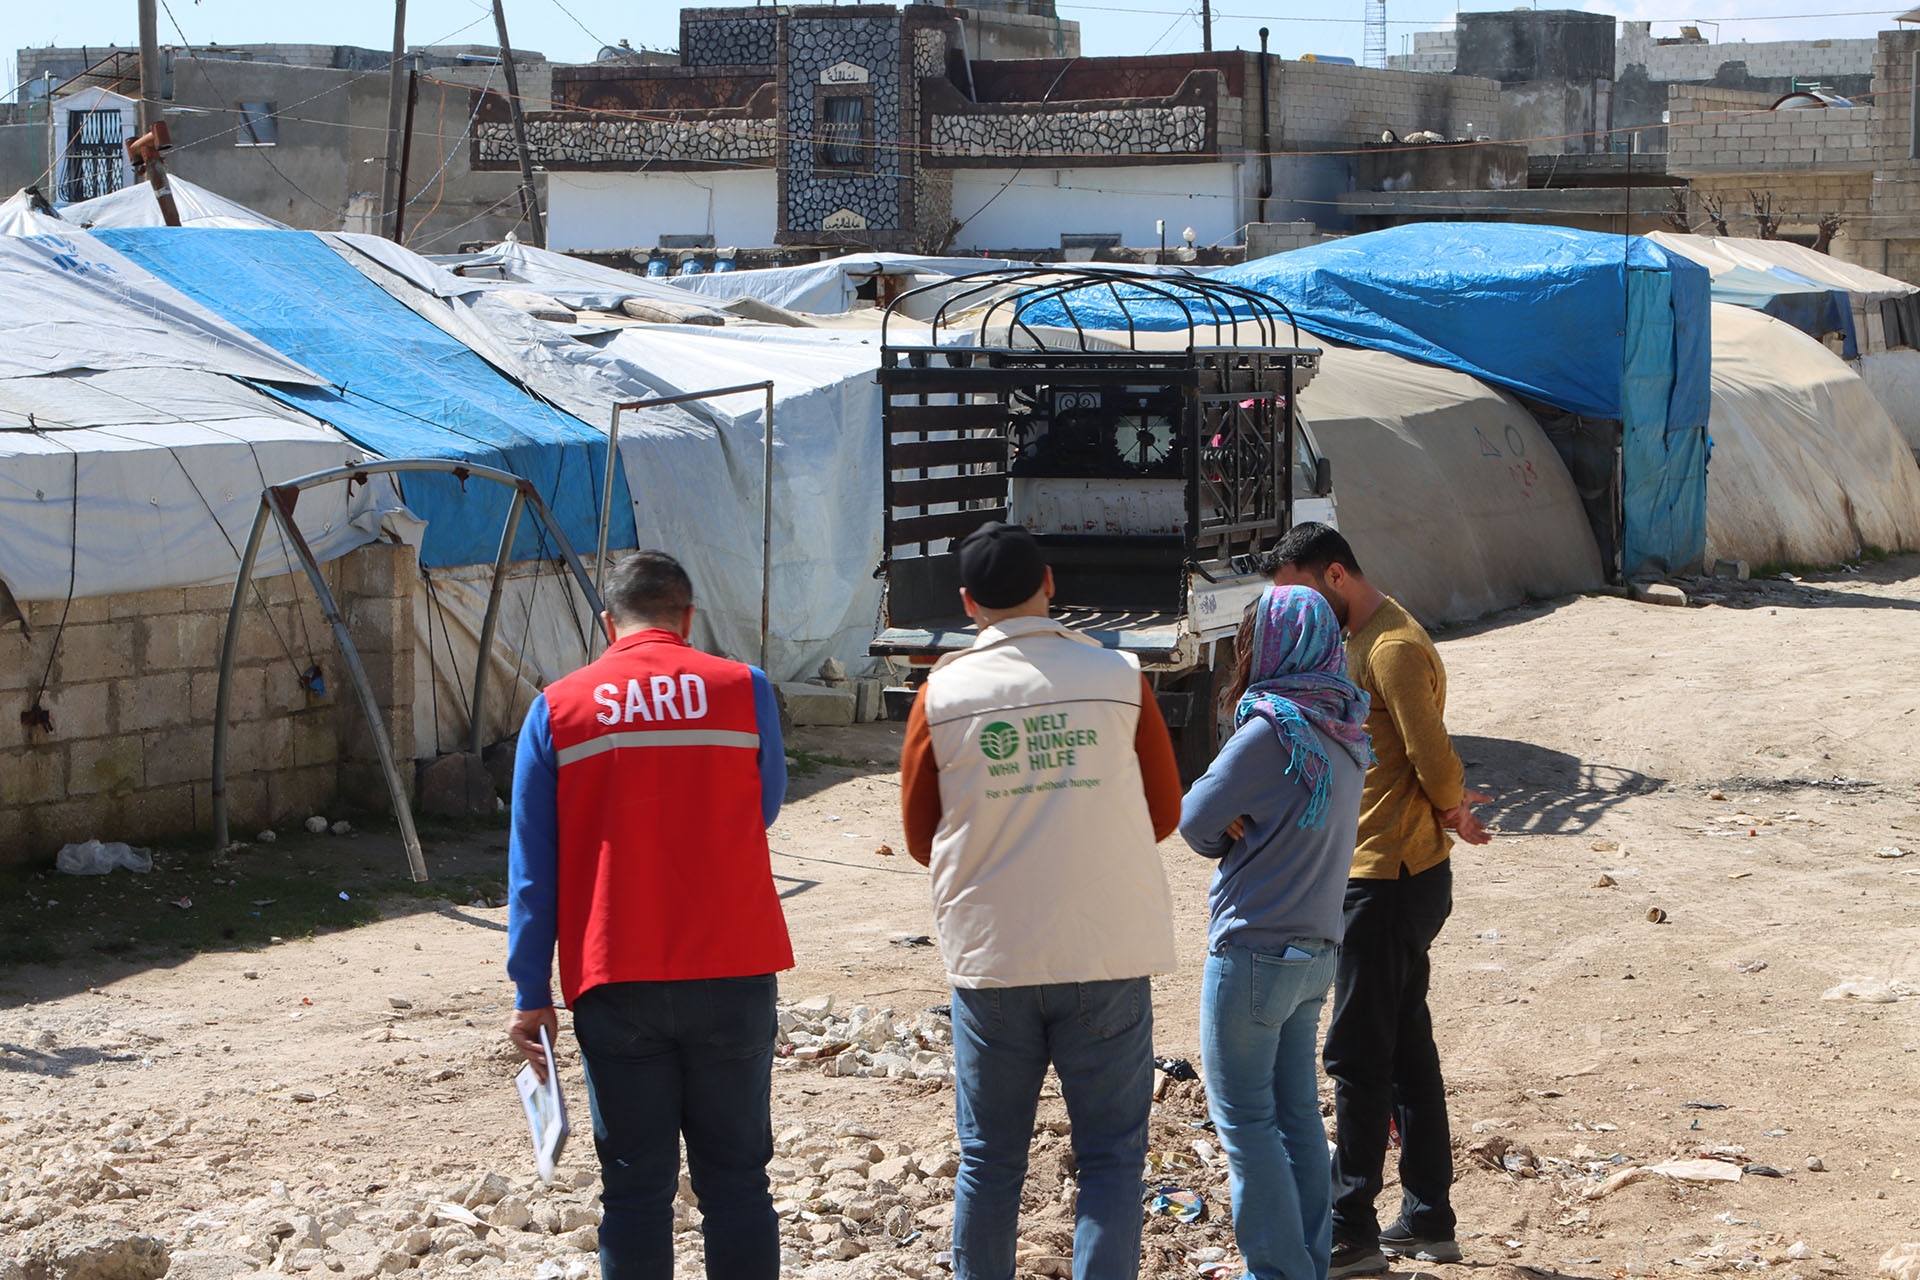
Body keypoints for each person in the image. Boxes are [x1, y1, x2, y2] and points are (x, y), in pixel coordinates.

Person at [898, 521, 1183, 1280]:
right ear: (1050, 583)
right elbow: (1163, 814)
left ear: (966, 603)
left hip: (994, 958)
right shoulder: (1120, 676)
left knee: (990, 1160)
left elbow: (922, 838)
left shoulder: (942, 693)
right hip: (1105, 947)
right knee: (1112, 1159)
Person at [506, 550, 790, 1280]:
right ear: (688, 617)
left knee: (634, 1191)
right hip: (733, 965)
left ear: (610, 623)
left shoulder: (559, 708)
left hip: (616, 974)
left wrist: (529, 993)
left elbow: (533, 869)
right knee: (737, 1182)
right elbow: (761, 807)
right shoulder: (744, 689)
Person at [1266, 523, 1491, 1279]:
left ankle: (1351, 1229)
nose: (1294, 619)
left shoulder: (1390, 646)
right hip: (1384, 873)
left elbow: (1432, 753)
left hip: (1387, 879)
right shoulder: (1357, 641)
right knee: (1403, 1049)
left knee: (1357, 1054)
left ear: (1335, 577)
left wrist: (1455, 804)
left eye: (1300, 597)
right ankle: (1428, 1217)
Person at [1180, 586, 1371, 1280]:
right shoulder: (1347, 728)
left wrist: (1233, 824)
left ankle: (1278, 1273)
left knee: (1247, 1127)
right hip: (1315, 953)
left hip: (1253, 952)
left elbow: (1196, 816)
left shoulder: (1272, 729)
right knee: (1296, 1122)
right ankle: (1306, 1265)